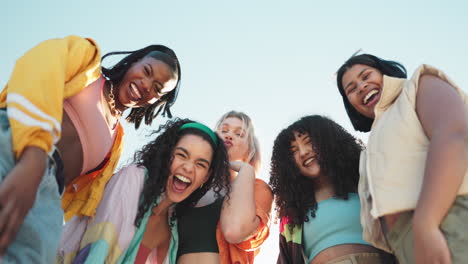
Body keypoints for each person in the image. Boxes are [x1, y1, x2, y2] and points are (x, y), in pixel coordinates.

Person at [0, 35, 181, 263]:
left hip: (48, 194)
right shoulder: (87, 62)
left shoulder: (116, 141)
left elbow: (90, 206)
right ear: (132, 61)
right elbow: (38, 70)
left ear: (157, 101)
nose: (146, 85)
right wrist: (34, 155)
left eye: (157, 88)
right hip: (13, 144)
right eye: (146, 71)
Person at [336, 54, 468, 264]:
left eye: (366, 75)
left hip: (448, 219)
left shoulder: (418, 84)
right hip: (408, 246)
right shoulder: (374, 143)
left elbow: (454, 134)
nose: (361, 86)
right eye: (351, 89)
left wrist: (426, 222)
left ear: (384, 72)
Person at [57, 119, 231, 263]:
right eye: (181, 155)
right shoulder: (134, 178)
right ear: (165, 155)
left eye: (200, 164)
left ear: (206, 177)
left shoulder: (174, 229)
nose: (188, 167)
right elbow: (98, 247)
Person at [270, 115, 392, 264]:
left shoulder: (367, 183)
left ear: (328, 142)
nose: (303, 152)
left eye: (308, 142)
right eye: (294, 151)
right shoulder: (293, 214)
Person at [176, 111, 273, 264]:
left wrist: (245, 170)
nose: (229, 136)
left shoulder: (258, 190)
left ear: (250, 150)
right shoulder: (188, 187)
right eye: (223, 130)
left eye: (239, 134)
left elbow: (235, 231)